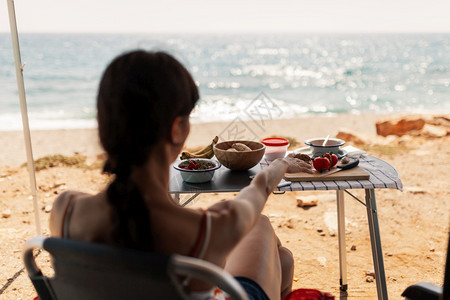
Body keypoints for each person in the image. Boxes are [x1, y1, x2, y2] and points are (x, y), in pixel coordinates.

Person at [50, 50, 295, 300]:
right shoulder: (205, 230)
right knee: (263, 228)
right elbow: (259, 190)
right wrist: (282, 164)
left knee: (283, 261)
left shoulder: (66, 211)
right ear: (177, 129)